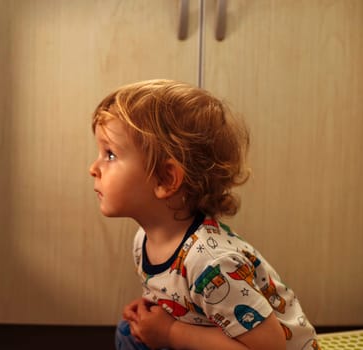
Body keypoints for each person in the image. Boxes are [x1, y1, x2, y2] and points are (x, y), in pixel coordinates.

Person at [88, 79, 319, 350]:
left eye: (111, 155)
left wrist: (171, 331)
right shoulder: (144, 240)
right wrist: (156, 312)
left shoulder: (209, 263)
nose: (94, 167)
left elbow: (271, 347)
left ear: (166, 178)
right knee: (130, 332)